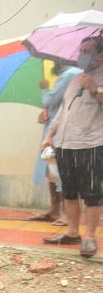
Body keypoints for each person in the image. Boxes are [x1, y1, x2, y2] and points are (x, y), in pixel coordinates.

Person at [41, 36, 103, 258]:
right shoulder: (74, 79)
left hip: (91, 145)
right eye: (81, 50)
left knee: (93, 194)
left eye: (86, 50)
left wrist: (96, 90)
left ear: (100, 55)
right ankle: (73, 232)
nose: (81, 54)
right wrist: (50, 134)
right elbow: (64, 110)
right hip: (65, 145)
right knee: (69, 192)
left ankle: (89, 238)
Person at [30, 61, 82, 225]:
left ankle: (66, 215)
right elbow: (58, 105)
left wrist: (45, 89)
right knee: (52, 172)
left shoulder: (69, 74)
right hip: (55, 128)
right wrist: (44, 112)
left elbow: (53, 99)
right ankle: (54, 210)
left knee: (60, 172)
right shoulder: (71, 74)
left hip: (62, 132)